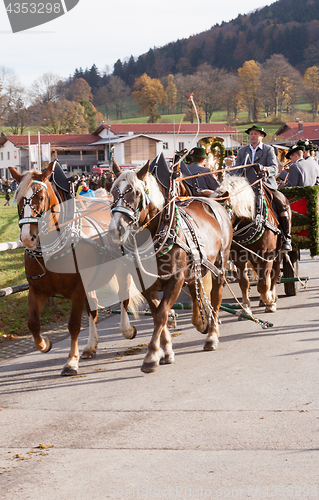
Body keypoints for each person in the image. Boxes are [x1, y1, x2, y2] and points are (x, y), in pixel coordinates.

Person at [232, 124, 292, 251]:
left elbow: (275, 168)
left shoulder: (268, 149)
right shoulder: (243, 151)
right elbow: (236, 168)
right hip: (246, 186)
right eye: (251, 134)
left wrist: (264, 169)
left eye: (255, 134)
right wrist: (232, 175)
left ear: (262, 136)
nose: (252, 136)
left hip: (266, 185)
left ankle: (287, 238)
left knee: (281, 202)